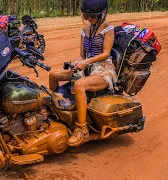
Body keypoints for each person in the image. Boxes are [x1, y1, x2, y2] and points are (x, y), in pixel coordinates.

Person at [49, 0, 116, 146]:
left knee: (79, 85)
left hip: (103, 70)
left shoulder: (108, 28)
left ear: (102, 14)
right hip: (86, 68)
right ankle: (54, 112)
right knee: (53, 75)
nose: (89, 19)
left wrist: (86, 62)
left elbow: (105, 53)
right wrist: (76, 63)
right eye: (87, 16)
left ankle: (82, 129)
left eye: (93, 16)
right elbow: (82, 55)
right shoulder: (85, 31)